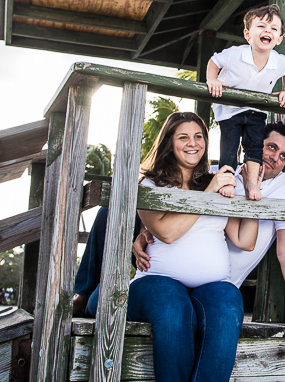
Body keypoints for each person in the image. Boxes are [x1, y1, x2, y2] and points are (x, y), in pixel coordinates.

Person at [84, 111, 257, 382]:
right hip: (156, 282)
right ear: (169, 142)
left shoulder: (215, 182)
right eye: (183, 137)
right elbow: (167, 233)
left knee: (229, 302)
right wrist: (208, 193)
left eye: (199, 136)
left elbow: (244, 240)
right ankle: (95, 296)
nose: (193, 143)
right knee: (173, 305)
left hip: (210, 286)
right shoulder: (151, 184)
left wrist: (250, 193)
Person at [135, 122, 285, 325]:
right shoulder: (217, 174)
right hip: (169, 278)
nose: (275, 157)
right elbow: (168, 205)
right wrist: (144, 230)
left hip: (218, 290)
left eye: (283, 156)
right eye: (271, 147)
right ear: (253, 145)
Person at [207, 4, 285, 201]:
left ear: (279, 39)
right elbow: (214, 61)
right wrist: (212, 79)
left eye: (273, 29)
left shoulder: (279, 61)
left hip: (256, 109)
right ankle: (228, 179)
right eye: (261, 27)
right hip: (230, 109)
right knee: (230, 145)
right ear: (247, 34)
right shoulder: (235, 54)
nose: (267, 31)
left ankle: (253, 183)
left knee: (254, 146)